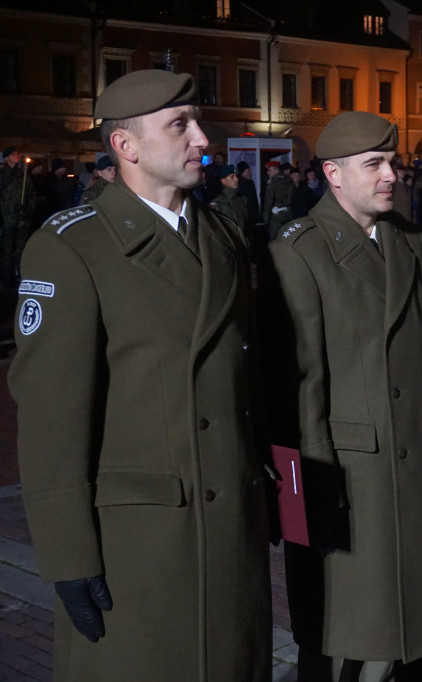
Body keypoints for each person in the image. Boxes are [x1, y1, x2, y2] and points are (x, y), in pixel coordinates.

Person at [9, 69, 271, 681]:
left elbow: (244, 381)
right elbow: (52, 416)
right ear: (125, 147)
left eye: (197, 122)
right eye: (179, 125)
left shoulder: (224, 238)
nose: (203, 138)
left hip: (227, 518)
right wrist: (66, 553)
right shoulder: (74, 247)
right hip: (139, 541)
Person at [265, 111, 422, 682]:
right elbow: (298, 381)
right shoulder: (300, 250)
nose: (391, 175)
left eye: (391, 162)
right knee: (346, 618)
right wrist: (316, 485)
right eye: (373, 165)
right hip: (349, 467)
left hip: (414, 451)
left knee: (401, 613)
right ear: (333, 174)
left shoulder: (408, 240)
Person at [0, 145, 37, 285]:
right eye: (15, 154)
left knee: (21, 248)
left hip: (23, 218)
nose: (18, 156)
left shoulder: (24, 174)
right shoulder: (3, 174)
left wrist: (28, 209)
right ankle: (7, 277)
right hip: (8, 217)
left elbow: (31, 194)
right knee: (8, 249)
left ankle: (20, 273)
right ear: (8, 157)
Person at [211, 163, 249, 234]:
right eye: (232, 177)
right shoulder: (217, 202)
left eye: (236, 176)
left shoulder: (241, 199)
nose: (237, 179)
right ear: (223, 180)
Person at [262, 159, 293, 238]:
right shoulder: (289, 181)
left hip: (276, 218)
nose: (267, 172)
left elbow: (268, 202)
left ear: (276, 171)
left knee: (275, 240)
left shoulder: (273, 184)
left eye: (270, 170)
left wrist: (266, 219)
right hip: (288, 215)